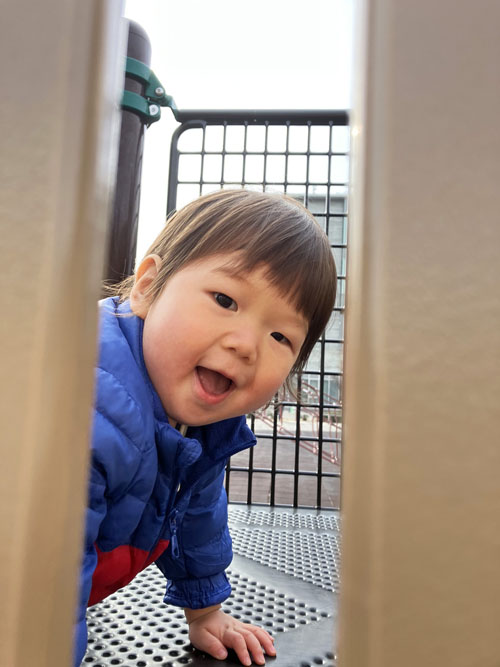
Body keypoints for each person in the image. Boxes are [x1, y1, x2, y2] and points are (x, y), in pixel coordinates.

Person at [75, 188, 337, 666]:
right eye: (225, 299)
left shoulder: (202, 427)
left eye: (281, 335)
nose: (246, 345)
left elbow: (196, 517)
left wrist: (206, 612)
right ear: (148, 286)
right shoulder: (87, 408)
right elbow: (38, 582)